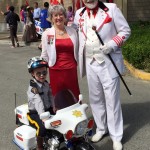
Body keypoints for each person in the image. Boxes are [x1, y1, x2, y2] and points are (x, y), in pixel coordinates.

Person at [72, 0, 131, 150]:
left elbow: (125, 31)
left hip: (108, 63)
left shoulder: (111, 9)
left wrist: (111, 45)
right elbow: (73, 33)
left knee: (112, 100)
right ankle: (101, 129)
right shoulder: (79, 13)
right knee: (95, 98)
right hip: (90, 62)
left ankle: (116, 136)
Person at [41, 5, 80, 100]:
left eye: (61, 14)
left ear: (65, 16)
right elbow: (44, 54)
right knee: (58, 97)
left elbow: (78, 49)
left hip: (71, 69)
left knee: (73, 95)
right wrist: (41, 69)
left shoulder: (73, 31)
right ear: (51, 18)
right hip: (55, 70)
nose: (58, 17)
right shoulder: (47, 33)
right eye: (55, 15)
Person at [27, 56, 54, 150]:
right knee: (42, 128)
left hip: (47, 109)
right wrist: (43, 116)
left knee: (60, 118)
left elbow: (51, 96)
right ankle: (40, 146)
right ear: (32, 74)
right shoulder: (33, 88)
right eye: (38, 73)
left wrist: (54, 107)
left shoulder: (46, 83)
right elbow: (38, 102)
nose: (42, 75)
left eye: (44, 72)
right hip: (35, 113)